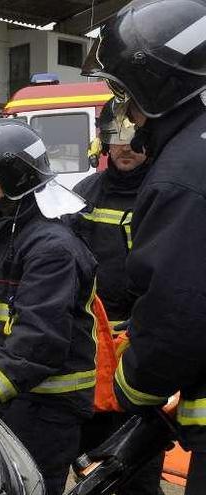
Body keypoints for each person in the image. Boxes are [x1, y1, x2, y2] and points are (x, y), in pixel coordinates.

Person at [80, 2, 206, 493]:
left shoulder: (182, 174)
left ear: (154, 88)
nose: (124, 114)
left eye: (125, 94)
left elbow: (179, 312)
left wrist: (132, 386)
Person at [0, 119, 96, 495]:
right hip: (12, 396)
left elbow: (40, 338)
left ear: (15, 180)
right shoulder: (4, 230)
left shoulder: (51, 248)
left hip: (47, 408)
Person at [68, 99, 161, 495]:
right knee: (91, 465)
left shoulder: (165, 192)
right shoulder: (83, 194)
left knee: (137, 468)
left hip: (143, 351)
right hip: (91, 352)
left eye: (134, 136)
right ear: (105, 142)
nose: (127, 147)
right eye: (117, 137)